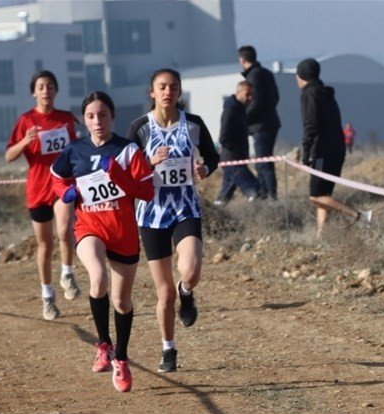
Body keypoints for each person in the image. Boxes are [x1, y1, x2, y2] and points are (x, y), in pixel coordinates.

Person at [52, 92, 155, 392]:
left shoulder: (128, 150)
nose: (97, 122)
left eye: (103, 115)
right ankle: (103, 344)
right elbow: (56, 176)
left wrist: (119, 176)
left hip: (122, 232)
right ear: (84, 119)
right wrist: (65, 193)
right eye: (91, 116)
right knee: (98, 278)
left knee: (122, 302)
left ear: (113, 117)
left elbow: (146, 192)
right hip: (89, 226)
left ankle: (121, 358)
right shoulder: (75, 150)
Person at [128, 68, 220, 374]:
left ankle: (188, 292)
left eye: (173, 87)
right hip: (151, 214)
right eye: (162, 87)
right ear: (152, 92)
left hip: (185, 208)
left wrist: (205, 169)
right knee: (163, 293)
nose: (168, 92)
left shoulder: (193, 124)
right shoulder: (139, 128)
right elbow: (126, 170)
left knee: (191, 270)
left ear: (180, 92)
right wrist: (148, 163)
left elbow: (212, 157)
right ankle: (168, 349)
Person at [5, 70, 81, 321]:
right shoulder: (26, 120)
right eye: (41, 86)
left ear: (56, 91)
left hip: (61, 184)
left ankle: (67, 273)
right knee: (45, 244)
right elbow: (8, 155)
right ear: (33, 92)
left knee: (65, 229)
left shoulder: (66, 118)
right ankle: (48, 296)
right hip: (38, 188)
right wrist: (25, 141)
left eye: (50, 86)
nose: (46, 90)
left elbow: (76, 148)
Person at [295, 58, 367, 240]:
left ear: (302, 76)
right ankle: (321, 237)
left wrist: (306, 153)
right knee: (325, 196)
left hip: (321, 153)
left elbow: (310, 125)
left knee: (315, 196)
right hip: (337, 150)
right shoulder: (326, 93)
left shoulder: (309, 94)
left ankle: (358, 216)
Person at [237, 45, 281, 201]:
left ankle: (269, 196)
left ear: (242, 60)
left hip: (261, 126)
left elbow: (256, 102)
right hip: (270, 122)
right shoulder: (267, 73)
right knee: (264, 161)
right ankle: (266, 193)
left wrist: (243, 118)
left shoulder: (253, 76)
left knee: (263, 163)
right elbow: (275, 97)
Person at [215, 80, 260, 205]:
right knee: (254, 189)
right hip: (232, 158)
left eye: (252, 95)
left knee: (225, 194)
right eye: (247, 94)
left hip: (237, 157)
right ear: (238, 93)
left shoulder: (240, 110)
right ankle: (258, 216)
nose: (250, 98)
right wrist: (235, 151)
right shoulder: (230, 111)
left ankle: (215, 211)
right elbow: (223, 136)